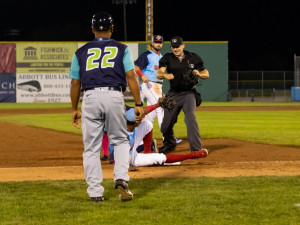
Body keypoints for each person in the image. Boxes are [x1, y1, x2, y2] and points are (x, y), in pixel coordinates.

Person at [69, 11, 144, 202]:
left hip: (91, 97)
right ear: (112, 29)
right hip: (113, 95)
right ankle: (121, 178)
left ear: (92, 29)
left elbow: (75, 83)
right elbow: (130, 75)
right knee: (119, 140)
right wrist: (138, 103)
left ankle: (95, 193)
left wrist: (74, 109)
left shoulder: (81, 51)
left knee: (91, 148)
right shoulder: (121, 48)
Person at [157, 36, 209, 154]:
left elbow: (206, 73)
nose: (175, 49)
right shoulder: (167, 58)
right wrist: (165, 75)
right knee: (165, 126)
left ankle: (196, 149)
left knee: (190, 117)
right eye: (173, 47)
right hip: (174, 94)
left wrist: (199, 73)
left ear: (183, 45)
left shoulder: (193, 57)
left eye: (178, 46)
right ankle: (169, 144)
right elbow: (159, 73)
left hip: (189, 93)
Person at [124, 104, 208, 167]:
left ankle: (148, 152)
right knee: (160, 158)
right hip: (128, 158)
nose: (142, 117)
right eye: (139, 118)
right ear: (136, 122)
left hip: (133, 151)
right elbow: (115, 156)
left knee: (148, 124)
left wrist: (157, 104)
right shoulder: (120, 133)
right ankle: (192, 155)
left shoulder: (132, 125)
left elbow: (144, 111)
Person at [134, 35, 182, 144]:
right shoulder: (147, 55)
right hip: (149, 85)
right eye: (156, 42)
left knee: (151, 114)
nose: (158, 44)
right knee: (162, 107)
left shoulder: (162, 58)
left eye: (160, 42)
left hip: (158, 86)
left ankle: (140, 139)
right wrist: (142, 75)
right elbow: (136, 66)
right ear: (152, 43)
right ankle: (168, 139)